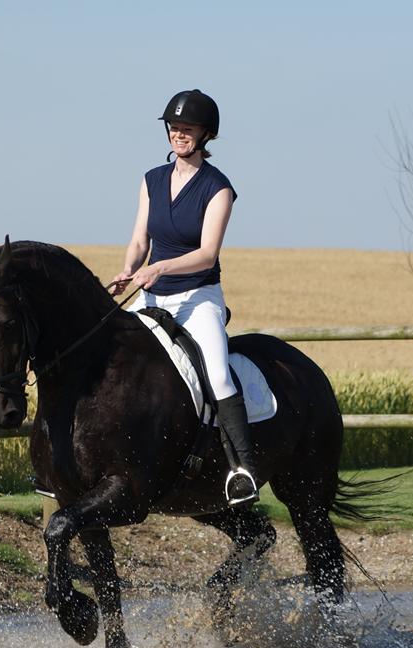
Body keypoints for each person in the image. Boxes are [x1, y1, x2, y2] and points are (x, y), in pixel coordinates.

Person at [109, 88, 259, 505]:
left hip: (198, 296)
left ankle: (243, 468)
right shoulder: (151, 180)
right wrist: (129, 268)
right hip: (152, 295)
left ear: (205, 134)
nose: (179, 134)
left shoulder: (218, 188)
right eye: (174, 127)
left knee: (217, 373)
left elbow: (207, 253)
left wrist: (158, 268)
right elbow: (140, 240)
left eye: (187, 129)